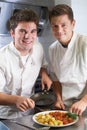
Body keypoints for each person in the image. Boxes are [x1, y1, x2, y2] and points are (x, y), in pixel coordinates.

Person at [0, 9, 52, 119]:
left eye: (33, 31)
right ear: (12, 33)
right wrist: (16, 100)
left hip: (29, 115)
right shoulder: (2, 58)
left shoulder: (38, 48)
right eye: (22, 31)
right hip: (5, 116)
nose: (28, 36)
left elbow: (42, 64)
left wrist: (44, 74)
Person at [48, 4, 87, 116]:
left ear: (73, 24)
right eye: (55, 26)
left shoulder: (84, 44)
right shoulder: (52, 49)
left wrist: (84, 101)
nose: (59, 30)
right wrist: (59, 99)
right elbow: (55, 79)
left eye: (63, 25)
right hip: (66, 105)